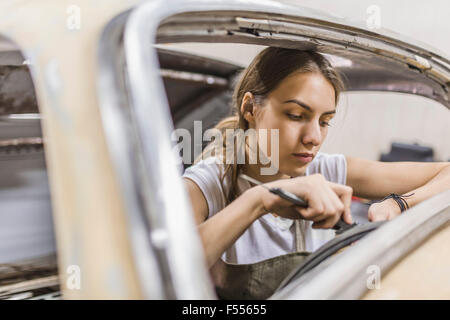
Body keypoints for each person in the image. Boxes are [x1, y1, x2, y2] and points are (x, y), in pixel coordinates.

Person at [182, 47, 450, 298]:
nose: (313, 138)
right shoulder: (203, 186)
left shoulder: (327, 169)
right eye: (296, 115)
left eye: (324, 122)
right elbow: (171, 268)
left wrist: (399, 203)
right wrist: (261, 200)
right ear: (250, 108)